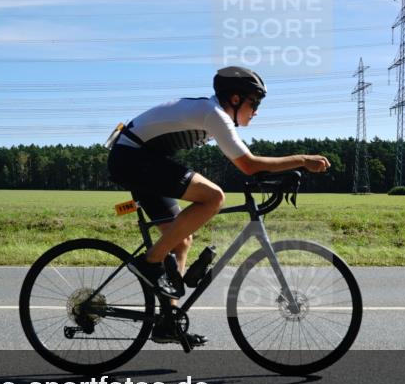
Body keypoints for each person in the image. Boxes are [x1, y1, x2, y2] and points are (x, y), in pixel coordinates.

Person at [106, 66, 331, 345]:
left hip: (139, 158)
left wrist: (283, 176)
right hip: (133, 158)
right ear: (235, 99)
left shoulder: (213, 115)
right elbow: (249, 164)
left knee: (181, 240)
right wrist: (301, 159)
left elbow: (247, 164)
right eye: (254, 103)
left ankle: (167, 322)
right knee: (214, 197)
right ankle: (149, 262)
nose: (256, 111)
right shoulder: (214, 114)